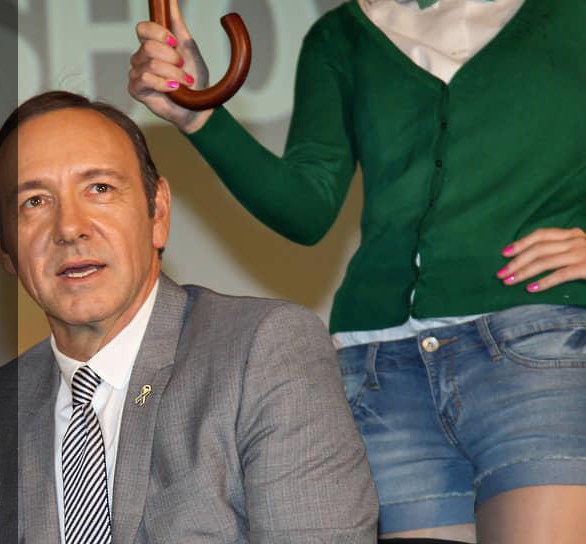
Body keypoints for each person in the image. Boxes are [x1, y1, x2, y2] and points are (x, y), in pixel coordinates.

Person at [128, 0, 586, 543]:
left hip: (536, 347)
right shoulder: (340, 36)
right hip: (381, 368)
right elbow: (307, 209)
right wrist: (199, 117)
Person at [0, 90, 377, 543]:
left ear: (158, 212)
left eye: (100, 189)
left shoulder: (263, 353)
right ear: (3, 245)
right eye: (34, 201)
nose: (69, 228)